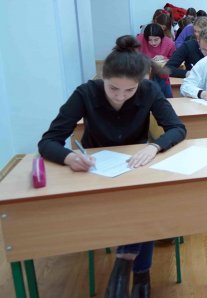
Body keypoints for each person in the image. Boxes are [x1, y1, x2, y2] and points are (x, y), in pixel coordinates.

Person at [38, 36, 186, 297]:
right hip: (95, 170)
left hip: (134, 165)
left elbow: (177, 128)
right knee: (134, 206)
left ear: (140, 83)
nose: (120, 97)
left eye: (129, 91)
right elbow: (48, 141)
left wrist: (154, 146)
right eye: (113, 89)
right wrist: (69, 157)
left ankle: (130, 266)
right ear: (103, 78)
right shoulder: (85, 92)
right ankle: (137, 271)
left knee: (145, 201)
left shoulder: (149, 90)